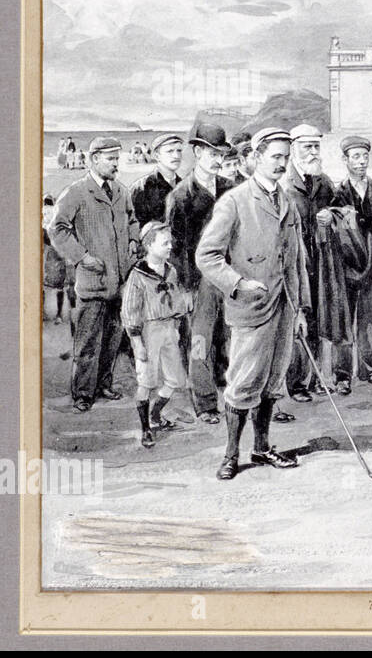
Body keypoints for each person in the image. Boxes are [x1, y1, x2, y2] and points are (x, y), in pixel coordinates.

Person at [196, 128, 311, 480]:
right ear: (257, 157)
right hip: (250, 310)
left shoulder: (287, 201)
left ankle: (261, 449)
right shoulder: (234, 201)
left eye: (286, 157)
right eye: (275, 156)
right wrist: (240, 283)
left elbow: (297, 261)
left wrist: (301, 310)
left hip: (284, 308)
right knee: (243, 383)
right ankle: (231, 455)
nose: (282, 163)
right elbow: (207, 256)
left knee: (273, 382)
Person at [49, 137, 140, 412]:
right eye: (110, 158)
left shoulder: (122, 191)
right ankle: (83, 394)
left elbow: (132, 220)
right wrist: (82, 257)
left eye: (117, 158)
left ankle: (104, 384)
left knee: (112, 339)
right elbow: (57, 229)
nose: (116, 164)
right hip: (91, 283)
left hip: (118, 282)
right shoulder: (76, 192)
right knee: (88, 343)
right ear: (94, 159)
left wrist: (134, 240)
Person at [164, 121, 237, 426]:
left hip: (231, 276)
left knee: (234, 337)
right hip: (198, 280)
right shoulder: (180, 196)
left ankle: (237, 396)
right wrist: (185, 288)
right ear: (196, 152)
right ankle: (206, 403)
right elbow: (176, 248)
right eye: (211, 153)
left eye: (221, 153)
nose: (218, 159)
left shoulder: (232, 191)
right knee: (199, 342)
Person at [331, 136, 372, 393]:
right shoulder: (337, 195)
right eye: (355, 157)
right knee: (344, 322)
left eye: (364, 156)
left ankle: (368, 369)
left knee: (368, 321)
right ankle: (342, 376)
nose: (360, 162)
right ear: (345, 160)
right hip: (346, 270)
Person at [280, 124, 337, 402]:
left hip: (319, 263)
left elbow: (340, 210)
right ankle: (294, 383)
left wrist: (331, 217)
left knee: (316, 319)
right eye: (307, 147)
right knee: (295, 320)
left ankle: (313, 378)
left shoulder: (324, 182)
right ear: (293, 149)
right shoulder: (282, 184)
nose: (313, 152)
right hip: (293, 263)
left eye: (316, 146)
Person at [121, 222, 187, 448]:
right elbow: (129, 310)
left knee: (174, 379)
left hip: (169, 328)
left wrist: (176, 327)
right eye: (164, 243)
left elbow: (177, 300)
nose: (170, 247)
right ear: (149, 245)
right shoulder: (138, 275)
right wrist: (137, 342)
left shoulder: (171, 271)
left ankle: (156, 415)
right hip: (148, 331)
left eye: (170, 242)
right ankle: (145, 429)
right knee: (147, 382)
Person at [129, 132, 186, 227]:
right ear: (156, 156)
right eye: (170, 151)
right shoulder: (141, 187)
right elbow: (131, 225)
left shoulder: (186, 187)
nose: (176, 156)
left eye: (179, 151)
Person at [43, 195, 70, 323]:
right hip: (56, 252)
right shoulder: (55, 212)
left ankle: (47, 312)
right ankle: (58, 314)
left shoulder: (46, 213)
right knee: (58, 286)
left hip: (52, 253)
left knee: (46, 284)